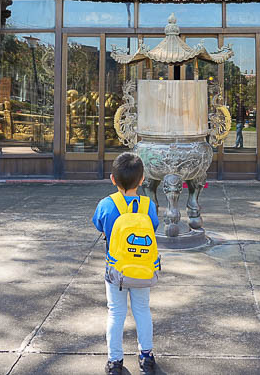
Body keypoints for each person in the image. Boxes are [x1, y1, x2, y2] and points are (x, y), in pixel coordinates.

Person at [92, 153, 160, 375]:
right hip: (143, 269)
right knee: (142, 310)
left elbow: (100, 226)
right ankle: (146, 357)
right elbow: (153, 229)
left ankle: (115, 362)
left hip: (116, 270)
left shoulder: (106, 204)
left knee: (115, 313)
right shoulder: (148, 206)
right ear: (142, 180)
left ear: (113, 179)